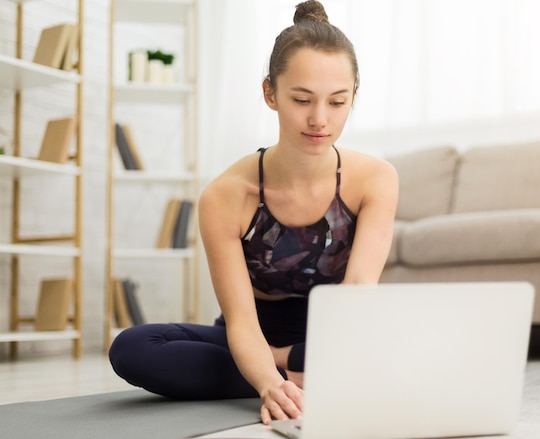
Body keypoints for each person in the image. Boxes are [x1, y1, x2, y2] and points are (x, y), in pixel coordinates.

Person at [109, 0, 398, 425]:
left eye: (337, 102)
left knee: (412, 345)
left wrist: (310, 355)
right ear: (270, 94)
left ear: (353, 96)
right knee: (133, 348)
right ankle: (299, 374)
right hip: (248, 335)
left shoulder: (376, 179)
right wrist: (267, 382)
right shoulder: (226, 195)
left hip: (336, 335)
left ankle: (304, 366)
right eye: (302, 99)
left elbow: (357, 295)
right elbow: (241, 321)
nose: (320, 119)